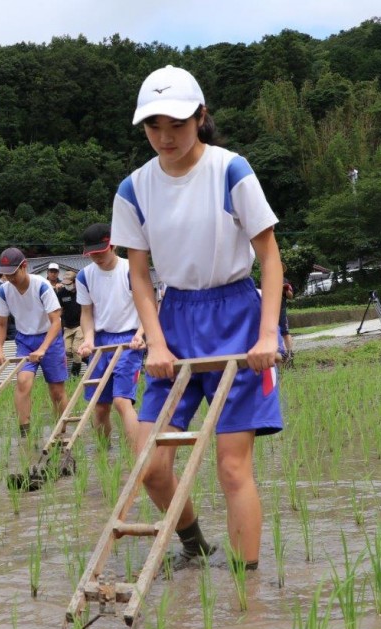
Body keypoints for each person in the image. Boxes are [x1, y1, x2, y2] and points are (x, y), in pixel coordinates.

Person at [111, 65, 283, 572]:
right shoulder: (134, 189)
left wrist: (269, 332)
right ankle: (193, 543)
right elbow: (139, 276)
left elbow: (270, 258)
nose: (165, 138)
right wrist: (157, 343)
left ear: (201, 117)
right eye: (154, 126)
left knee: (232, 468)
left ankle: (244, 595)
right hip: (176, 320)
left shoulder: (231, 170)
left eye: (178, 125)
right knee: (152, 465)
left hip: (237, 314)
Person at [76, 223, 145, 442]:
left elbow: (147, 305)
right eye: (91, 254)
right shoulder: (84, 277)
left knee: (121, 401)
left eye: (100, 251)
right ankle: (104, 455)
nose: (96, 257)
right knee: (100, 405)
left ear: (112, 245)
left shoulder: (131, 269)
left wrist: (141, 334)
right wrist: (88, 340)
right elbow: (86, 313)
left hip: (129, 339)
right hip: (101, 341)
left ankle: (138, 457)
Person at [0, 247, 68, 438]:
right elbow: (1, 323)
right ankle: (25, 432)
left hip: (49, 338)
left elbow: (56, 322)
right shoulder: (4, 291)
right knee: (23, 382)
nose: (10, 278)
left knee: (57, 390)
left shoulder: (42, 286)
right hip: (25, 340)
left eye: (13, 274)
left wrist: (43, 348)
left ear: (24, 266)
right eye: (6, 275)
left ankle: (61, 433)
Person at [56, 269, 84, 377]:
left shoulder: (82, 291)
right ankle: (85, 358)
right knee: (67, 350)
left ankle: (75, 374)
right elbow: (58, 308)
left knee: (76, 349)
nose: (67, 286)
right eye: (65, 284)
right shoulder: (62, 293)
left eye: (69, 283)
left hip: (80, 325)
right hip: (67, 325)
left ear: (75, 282)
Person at [280, 265, 294, 361]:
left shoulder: (285, 281)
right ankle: (281, 354)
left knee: (285, 332)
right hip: (270, 310)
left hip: (281, 309)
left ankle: (290, 353)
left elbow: (290, 296)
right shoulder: (266, 279)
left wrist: (286, 289)